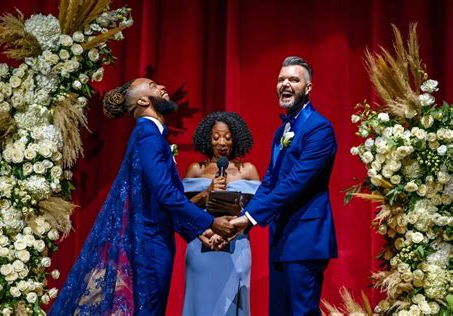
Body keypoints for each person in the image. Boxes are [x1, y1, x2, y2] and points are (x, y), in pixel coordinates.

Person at [49, 78, 236, 315]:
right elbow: (166, 194)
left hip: (153, 238)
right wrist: (210, 222)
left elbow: (157, 200)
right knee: (149, 308)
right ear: (143, 100)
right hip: (151, 243)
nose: (163, 87)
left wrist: (198, 231)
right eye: (154, 85)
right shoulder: (149, 136)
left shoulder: (149, 135)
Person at [230, 56, 338, 315]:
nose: (285, 84)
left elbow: (294, 183)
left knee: (301, 311)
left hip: (305, 238)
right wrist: (242, 217)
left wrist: (251, 218)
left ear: (308, 88)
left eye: (293, 79)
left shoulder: (319, 129)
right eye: (281, 79)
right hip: (280, 237)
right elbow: (270, 181)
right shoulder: (282, 131)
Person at [181, 112, 260, 316]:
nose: (222, 142)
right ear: (208, 139)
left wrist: (231, 229)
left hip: (236, 246)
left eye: (227, 137)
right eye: (216, 137)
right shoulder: (195, 170)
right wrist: (207, 192)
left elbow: (257, 212)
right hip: (202, 246)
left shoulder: (248, 170)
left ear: (236, 139)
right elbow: (182, 210)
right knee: (202, 306)